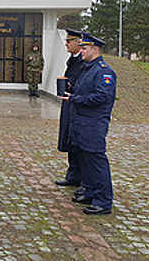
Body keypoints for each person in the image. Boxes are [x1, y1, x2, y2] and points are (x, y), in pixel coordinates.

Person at [61, 33, 116, 215]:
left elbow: (102, 96)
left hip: (92, 124)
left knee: (96, 162)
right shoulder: (87, 68)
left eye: (84, 48)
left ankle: (103, 201)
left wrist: (76, 98)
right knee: (85, 162)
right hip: (80, 122)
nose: (81, 51)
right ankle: (90, 191)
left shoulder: (103, 71)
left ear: (95, 49)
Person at [55, 29, 85, 190]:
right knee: (69, 139)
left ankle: (81, 178)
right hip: (69, 103)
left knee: (77, 142)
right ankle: (73, 175)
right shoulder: (73, 59)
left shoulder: (82, 60)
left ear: (78, 42)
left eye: (69, 41)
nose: (66, 44)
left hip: (77, 103)